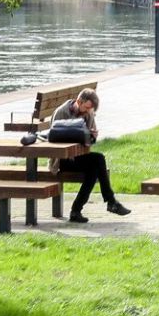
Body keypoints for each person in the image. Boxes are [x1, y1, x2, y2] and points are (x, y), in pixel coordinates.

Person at [50, 89, 131, 224]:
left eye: (90, 109)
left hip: (79, 156)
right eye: (86, 107)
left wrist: (92, 137)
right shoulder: (61, 112)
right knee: (98, 160)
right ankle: (110, 202)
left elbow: (88, 143)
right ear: (78, 101)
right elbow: (54, 138)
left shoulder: (88, 113)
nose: (88, 111)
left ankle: (77, 211)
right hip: (62, 160)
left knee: (94, 168)